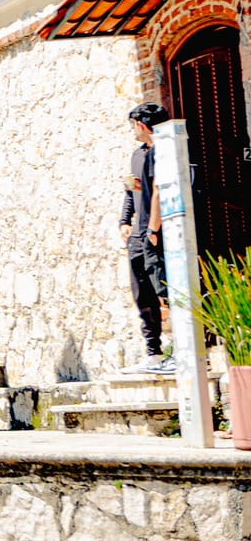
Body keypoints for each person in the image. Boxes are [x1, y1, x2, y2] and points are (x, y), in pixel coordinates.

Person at [120, 102, 174, 375]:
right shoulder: (137, 155)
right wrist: (124, 221)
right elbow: (132, 190)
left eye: (133, 125)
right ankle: (153, 353)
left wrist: (153, 229)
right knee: (142, 293)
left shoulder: (164, 154)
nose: (132, 130)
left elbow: (158, 191)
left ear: (142, 124)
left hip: (156, 234)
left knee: (165, 289)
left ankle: (179, 350)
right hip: (138, 235)